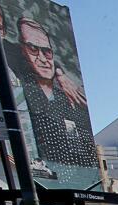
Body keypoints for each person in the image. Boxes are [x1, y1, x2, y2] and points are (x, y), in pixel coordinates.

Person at [13, 17, 96, 167]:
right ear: (22, 51)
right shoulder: (25, 92)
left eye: (47, 51)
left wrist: (59, 73)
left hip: (79, 175)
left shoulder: (71, 99)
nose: (43, 59)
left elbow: (85, 150)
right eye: (33, 49)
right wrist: (59, 72)